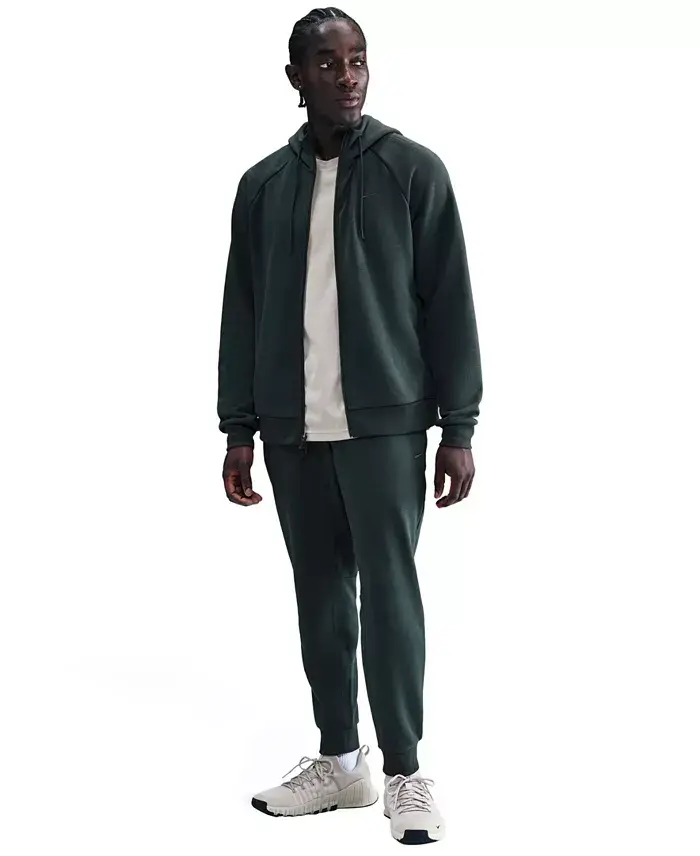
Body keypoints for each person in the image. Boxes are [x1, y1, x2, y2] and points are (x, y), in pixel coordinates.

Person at [217, 6, 482, 846]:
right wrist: (238, 428)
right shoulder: (263, 186)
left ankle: (404, 771)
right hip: (293, 427)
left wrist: (459, 425)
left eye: (358, 59)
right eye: (329, 63)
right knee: (320, 594)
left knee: (390, 593)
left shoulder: (413, 171)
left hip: (388, 424)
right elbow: (242, 310)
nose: (349, 75)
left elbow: (449, 303)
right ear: (295, 77)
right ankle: (341, 761)